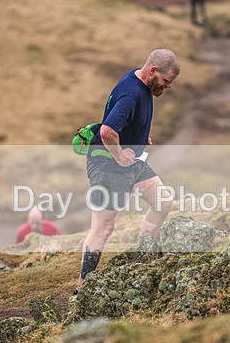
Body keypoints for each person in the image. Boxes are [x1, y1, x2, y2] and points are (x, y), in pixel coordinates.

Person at [76, 49, 180, 293]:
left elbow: (121, 123)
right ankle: (82, 289)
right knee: (103, 228)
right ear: (153, 71)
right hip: (108, 166)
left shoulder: (142, 83)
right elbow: (107, 132)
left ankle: (143, 258)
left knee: (163, 201)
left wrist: (140, 135)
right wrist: (120, 153)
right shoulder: (132, 94)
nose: (168, 86)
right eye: (166, 81)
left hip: (131, 162)